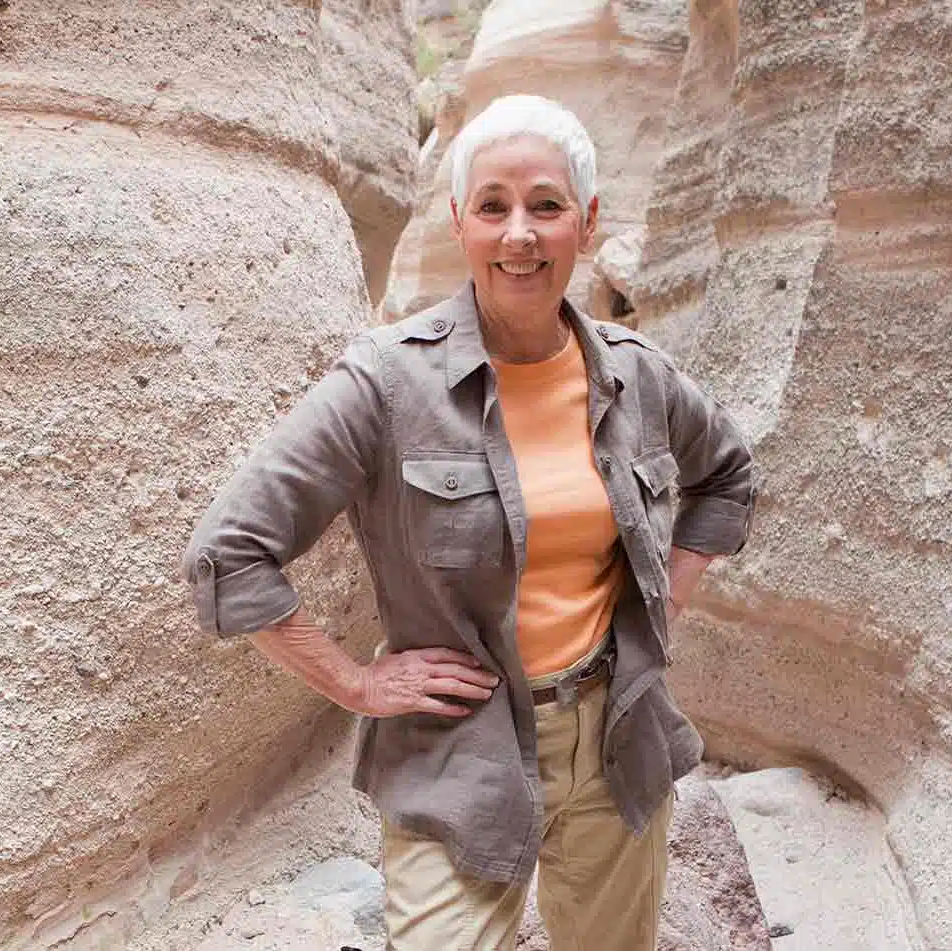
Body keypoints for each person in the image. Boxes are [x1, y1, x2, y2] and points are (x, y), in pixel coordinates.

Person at [182, 94, 756, 950]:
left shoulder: (639, 378)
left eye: (546, 206)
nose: (518, 233)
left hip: (616, 736)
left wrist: (660, 605)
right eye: (493, 206)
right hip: (456, 750)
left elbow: (728, 477)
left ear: (586, 221)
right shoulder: (384, 383)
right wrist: (355, 684)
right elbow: (230, 554)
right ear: (460, 220)